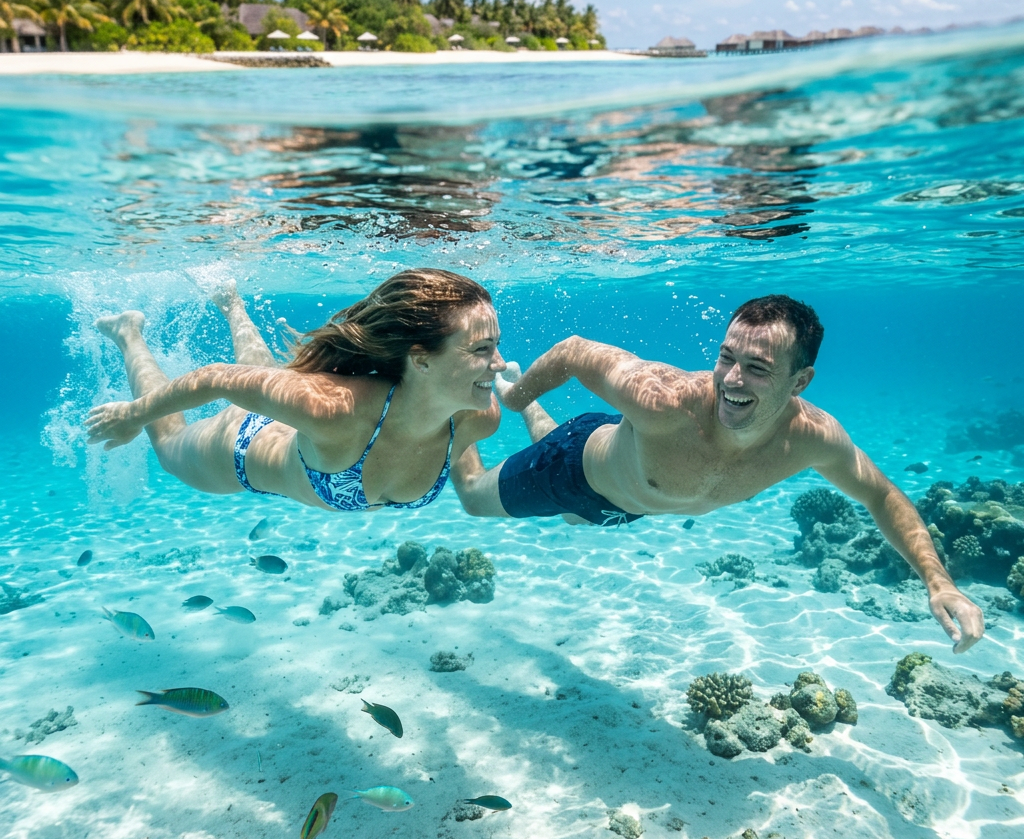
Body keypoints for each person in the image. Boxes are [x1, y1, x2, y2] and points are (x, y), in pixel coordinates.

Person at [451, 294, 985, 653]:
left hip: (626, 501)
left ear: (800, 382)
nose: (732, 379)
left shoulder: (813, 438)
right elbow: (572, 352)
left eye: (757, 368)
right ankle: (456, 419)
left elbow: (880, 492)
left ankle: (522, 412)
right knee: (475, 499)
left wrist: (939, 583)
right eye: (726, 357)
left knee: (575, 521)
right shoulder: (662, 401)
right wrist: (513, 393)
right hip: (576, 468)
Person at [86, 269, 505, 513]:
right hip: (243, 446)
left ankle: (231, 303)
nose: (500, 363)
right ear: (421, 359)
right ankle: (129, 333)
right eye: (482, 349)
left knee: (267, 376)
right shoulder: (334, 409)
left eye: (497, 346)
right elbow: (214, 377)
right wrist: (131, 417)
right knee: (168, 446)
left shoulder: (476, 419)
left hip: (299, 424)